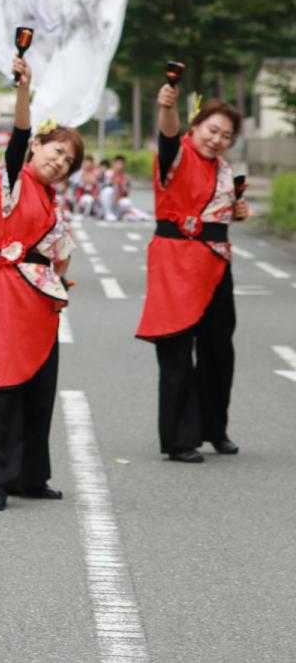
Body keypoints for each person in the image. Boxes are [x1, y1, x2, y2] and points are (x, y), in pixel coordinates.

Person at [0, 55, 82, 512]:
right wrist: (23, 89)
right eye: (57, 151)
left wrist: (61, 276)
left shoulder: (51, 199)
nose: (60, 162)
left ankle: (29, 476)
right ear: (37, 145)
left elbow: (59, 250)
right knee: (0, 384)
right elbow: (17, 134)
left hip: (41, 300)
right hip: (5, 290)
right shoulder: (13, 177)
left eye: (69, 161)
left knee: (38, 385)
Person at [136, 86, 247, 463]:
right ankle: (179, 439)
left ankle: (215, 428)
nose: (217, 140)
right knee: (177, 351)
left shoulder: (225, 170)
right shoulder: (178, 154)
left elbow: (221, 210)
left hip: (216, 264)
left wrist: (238, 210)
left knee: (219, 350)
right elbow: (167, 132)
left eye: (226, 135)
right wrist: (166, 105)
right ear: (195, 126)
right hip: (176, 264)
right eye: (212, 130)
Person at [99, 154, 148, 221]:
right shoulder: (108, 173)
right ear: (114, 163)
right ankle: (108, 213)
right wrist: (113, 182)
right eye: (118, 163)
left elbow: (126, 193)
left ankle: (136, 214)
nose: (119, 166)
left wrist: (121, 186)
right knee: (108, 190)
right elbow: (101, 187)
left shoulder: (125, 177)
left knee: (126, 202)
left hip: (117, 202)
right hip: (105, 203)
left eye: (121, 164)